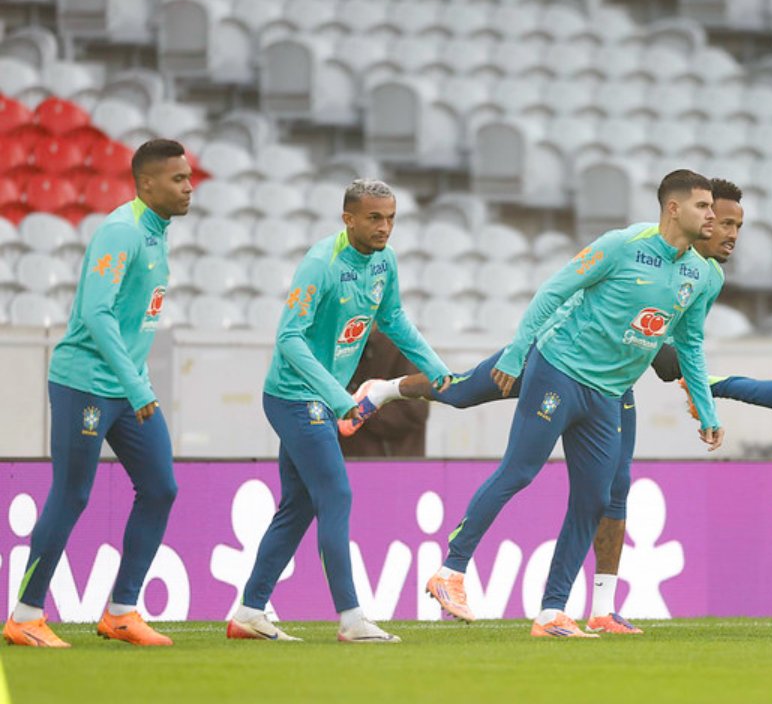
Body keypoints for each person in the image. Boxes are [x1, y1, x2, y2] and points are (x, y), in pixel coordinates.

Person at [341, 179, 745, 634]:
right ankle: (450, 570)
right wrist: (517, 354)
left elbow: (690, 344)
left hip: (608, 391)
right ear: (673, 209)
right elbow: (553, 291)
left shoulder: (703, 275)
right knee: (515, 463)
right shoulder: (621, 246)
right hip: (556, 366)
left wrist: (708, 410)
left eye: (719, 212)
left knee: (594, 498)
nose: (713, 219)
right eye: (705, 207)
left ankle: (553, 611)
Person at [225, 179, 451, 644]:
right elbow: (289, 338)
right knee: (337, 494)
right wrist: (339, 396)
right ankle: (351, 619)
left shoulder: (384, 261)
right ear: (348, 218)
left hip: (320, 398)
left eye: (390, 217)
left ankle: (248, 611)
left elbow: (393, 320)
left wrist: (438, 370)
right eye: (374, 217)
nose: (385, 227)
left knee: (300, 505)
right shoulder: (320, 264)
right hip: (293, 395)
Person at [3, 139, 192, 648]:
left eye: (188, 177)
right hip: (84, 382)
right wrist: (135, 383)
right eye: (178, 179)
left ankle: (122, 612)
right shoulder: (121, 231)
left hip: (129, 386)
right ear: (146, 183)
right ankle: (24, 615)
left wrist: (137, 380)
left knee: (161, 488)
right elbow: (96, 314)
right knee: (72, 494)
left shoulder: (155, 234)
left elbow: (134, 320)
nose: (189, 186)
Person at [339, 327, 430, 458]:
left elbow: (415, 411)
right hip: (346, 461)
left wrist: (362, 405)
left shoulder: (403, 344)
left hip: (389, 466)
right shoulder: (338, 345)